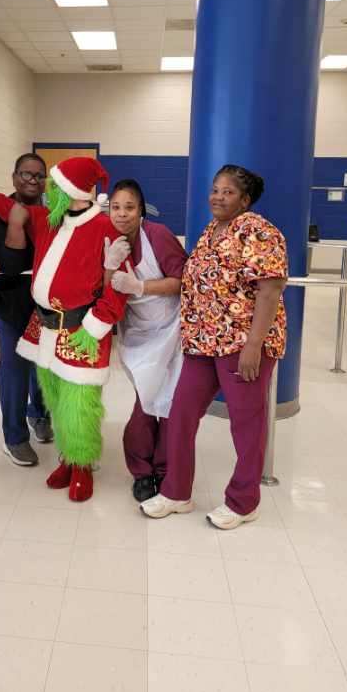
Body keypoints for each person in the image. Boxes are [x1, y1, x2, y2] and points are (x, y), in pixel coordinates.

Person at [0, 157, 130, 502]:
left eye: (55, 186)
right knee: (56, 399)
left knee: (80, 404)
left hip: (81, 330)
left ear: (71, 190)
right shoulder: (48, 220)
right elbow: (6, 205)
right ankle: (67, 458)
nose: (48, 190)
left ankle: (83, 465)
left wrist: (96, 324)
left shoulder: (106, 229)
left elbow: (120, 284)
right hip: (43, 328)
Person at [141, 164, 288, 530]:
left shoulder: (258, 230)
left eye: (228, 192)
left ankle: (243, 501)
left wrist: (254, 346)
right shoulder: (211, 230)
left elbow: (270, 290)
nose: (218, 197)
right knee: (181, 413)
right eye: (215, 189)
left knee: (246, 423)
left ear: (245, 199)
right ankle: (177, 492)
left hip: (243, 343)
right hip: (203, 342)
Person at [107, 179, 187, 503]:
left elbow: (182, 281)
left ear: (141, 210)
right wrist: (109, 264)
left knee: (166, 402)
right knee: (146, 399)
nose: (122, 214)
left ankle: (164, 469)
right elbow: (101, 289)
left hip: (171, 330)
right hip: (136, 334)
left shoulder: (158, 236)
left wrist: (140, 287)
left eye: (130, 207)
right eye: (116, 207)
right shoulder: (106, 240)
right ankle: (141, 470)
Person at [0, 153, 52, 468]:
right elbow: (11, 263)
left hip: (47, 304)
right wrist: (15, 224)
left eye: (38, 175)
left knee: (44, 364)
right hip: (12, 302)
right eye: (25, 174)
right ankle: (14, 437)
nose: (31, 180)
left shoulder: (56, 212)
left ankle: (38, 413)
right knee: (14, 369)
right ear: (14, 177)